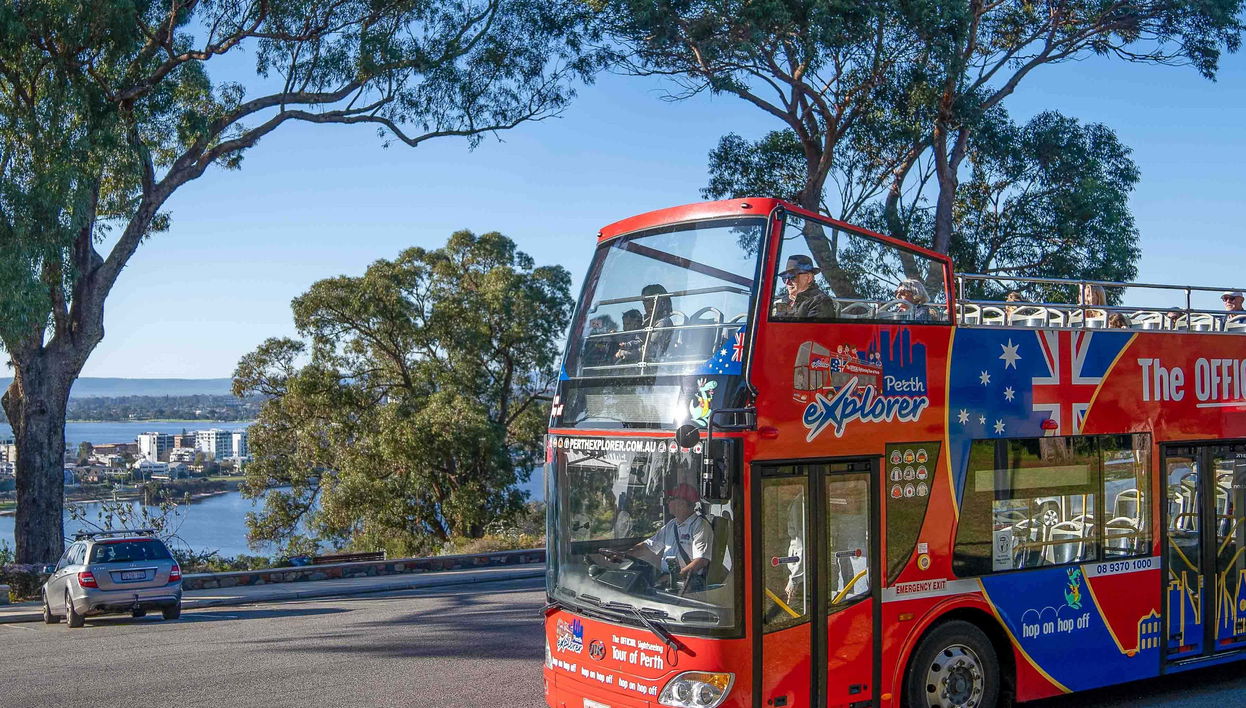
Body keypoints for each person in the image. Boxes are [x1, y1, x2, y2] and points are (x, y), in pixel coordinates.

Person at [624, 483, 712, 591]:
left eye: (671, 499)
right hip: (668, 576)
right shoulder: (672, 524)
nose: (668, 502)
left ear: (683, 503)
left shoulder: (700, 526)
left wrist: (674, 577)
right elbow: (649, 545)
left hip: (690, 579)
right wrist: (625, 555)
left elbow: (701, 561)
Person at [772, 255, 835, 319]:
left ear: (809, 278)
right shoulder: (784, 299)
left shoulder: (821, 301)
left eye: (792, 276)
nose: (787, 282)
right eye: (785, 278)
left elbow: (813, 328)